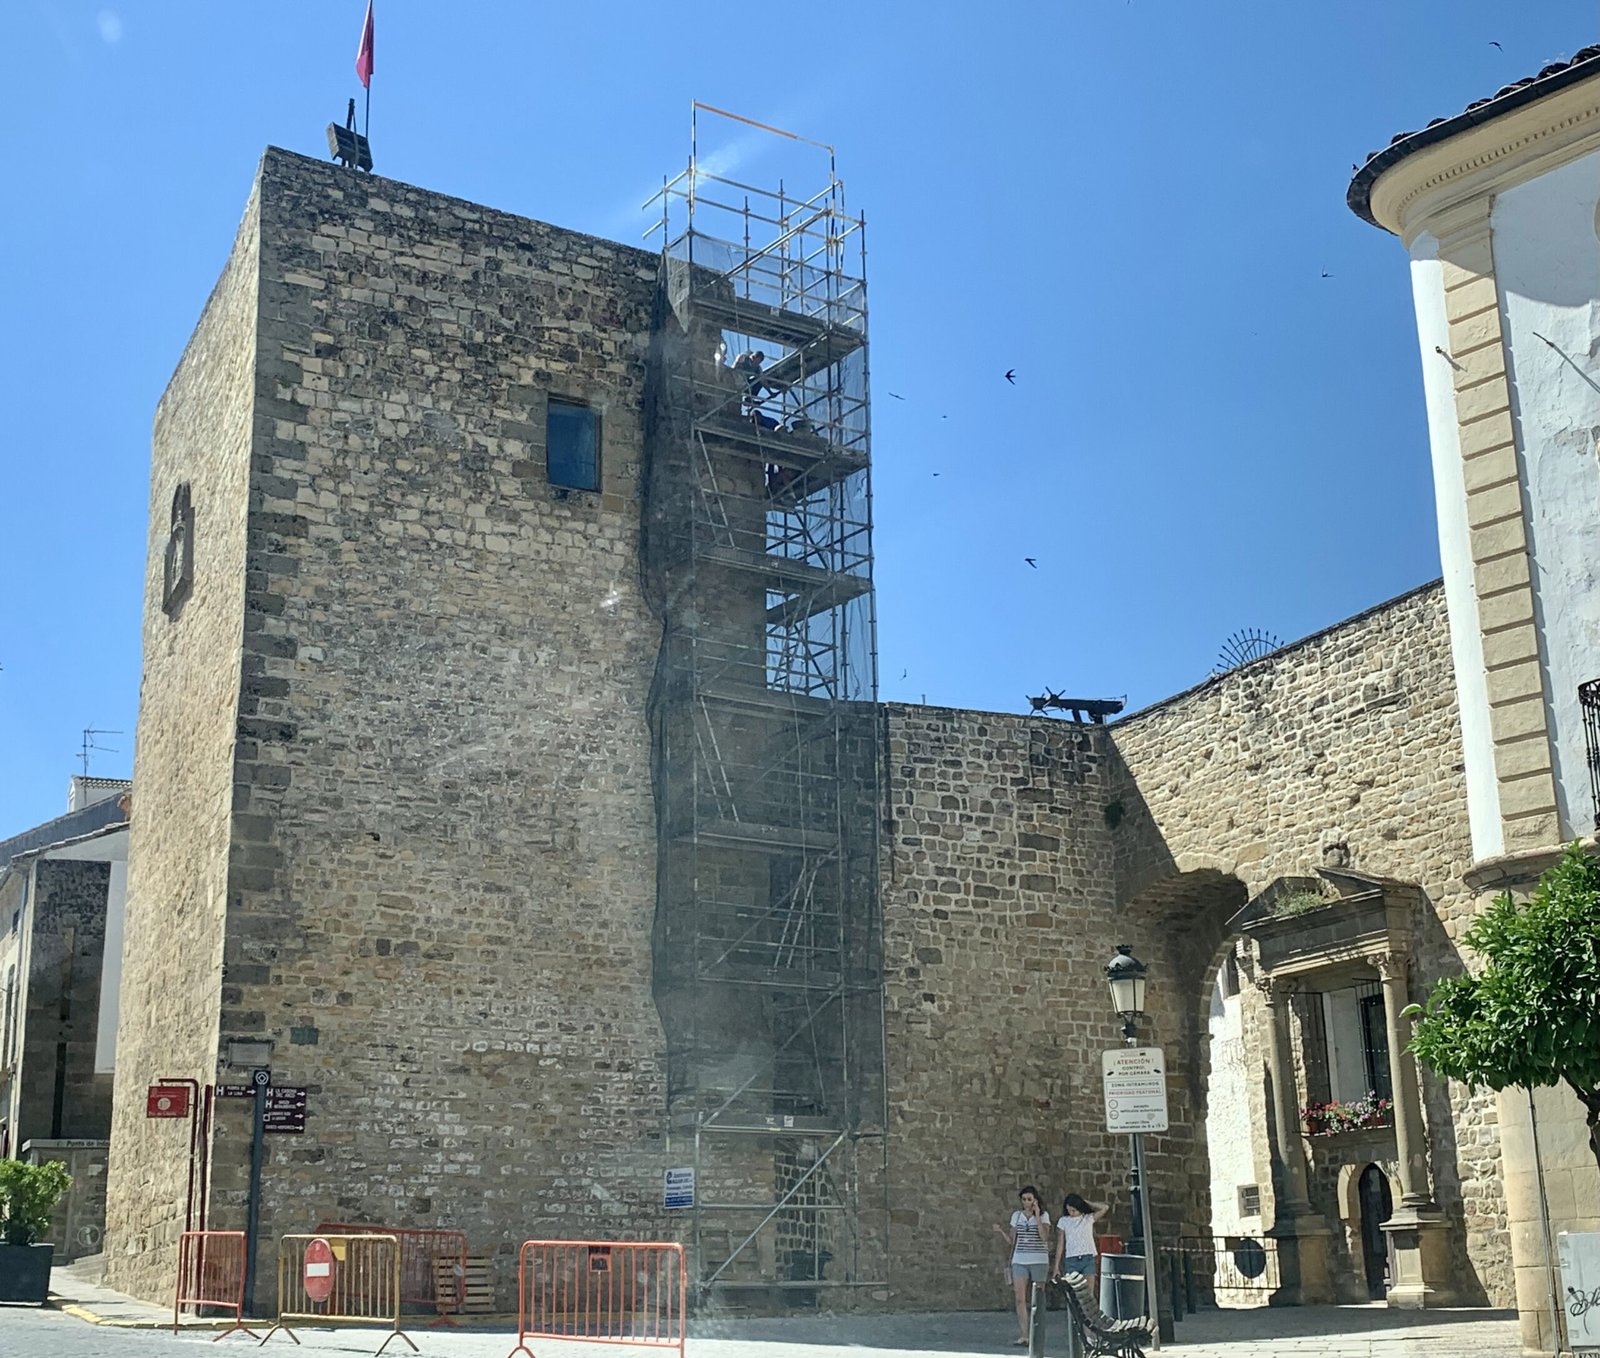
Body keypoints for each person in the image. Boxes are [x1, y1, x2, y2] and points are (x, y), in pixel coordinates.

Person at [992, 1185, 1052, 1346]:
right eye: (1024, 1199)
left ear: (1035, 1200)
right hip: (1020, 1259)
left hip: (1039, 1260)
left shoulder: (1044, 1216)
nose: (1026, 1202)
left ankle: (1037, 1334)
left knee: (1038, 1299)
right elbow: (1012, 1241)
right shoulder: (1017, 1216)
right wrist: (1001, 1232)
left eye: (1029, 1199)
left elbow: (1044, 1237)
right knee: (1020, 1298)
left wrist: (1037, 1216)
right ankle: (1024, 1334)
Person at [1053, 1192, 1111, 1283]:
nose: (1071, 1213)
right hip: (1071, 1259)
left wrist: (1087, 1202)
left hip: (1087, 1257)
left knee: (1088, 1290)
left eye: (1074, 1210)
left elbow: (1105, 1208)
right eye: (1069, 1210)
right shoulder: (1063, 1221)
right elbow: (1060, 1244)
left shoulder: (1088, 1218)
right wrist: (1056, 1266)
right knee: (1073, 1289)